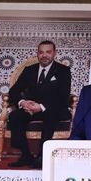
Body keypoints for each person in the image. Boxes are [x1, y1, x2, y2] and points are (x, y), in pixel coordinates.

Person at [7, 40, 72, 168]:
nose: (44, 55)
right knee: (15, 116)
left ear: (54, 53)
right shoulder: (29, 70)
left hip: (54, 108)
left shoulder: (63, 71)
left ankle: (42, 157)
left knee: (50, 115)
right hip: (31, 109)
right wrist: (23, 102)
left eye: (48, 52)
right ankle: (26, 155)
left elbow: (63, 96)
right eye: (41, 52)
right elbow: (14, 91)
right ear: (37, 54)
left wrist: (41, 107)